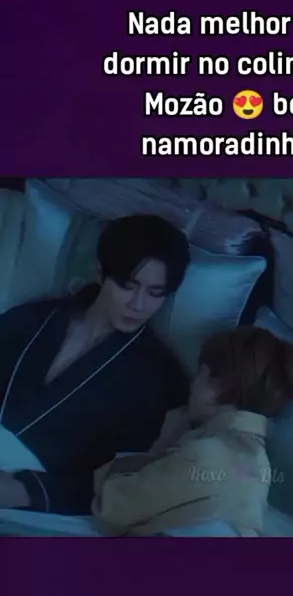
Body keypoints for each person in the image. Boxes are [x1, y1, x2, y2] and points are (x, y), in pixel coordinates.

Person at [0, 215, 190, 515]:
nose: (138, 305)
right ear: (100, 273)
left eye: (155, 293)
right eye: (128, 286)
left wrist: (21, 492)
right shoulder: (33, 319)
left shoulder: (159, 378)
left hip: (30, 500)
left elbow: (120, 480)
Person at [93, 326, 293, 536]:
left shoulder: (204, 455)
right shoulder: (260, 465)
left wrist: (161, 446)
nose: (192, 386)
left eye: (199, 376)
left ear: (217, 386)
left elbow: (111, 509)